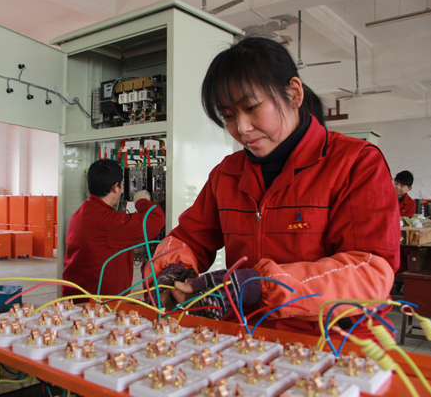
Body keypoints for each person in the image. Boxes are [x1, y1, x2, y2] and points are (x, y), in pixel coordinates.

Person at [150, 37, 400, 337]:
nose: (241, 128)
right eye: (228, 116)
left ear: (294, 93)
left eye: (252, 108)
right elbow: (188, 238)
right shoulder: (226, 174)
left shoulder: (355, 163)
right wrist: (171, 270)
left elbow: (369, 272)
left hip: (334, 339)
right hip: (249, 336)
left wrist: (257, 285)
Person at [62, 159, 165, 301]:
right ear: (115, 187)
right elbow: (156, 221)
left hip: (75, 298)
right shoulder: (111, 222)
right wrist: (142, 201)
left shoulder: (80, 213)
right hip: (102, 303)